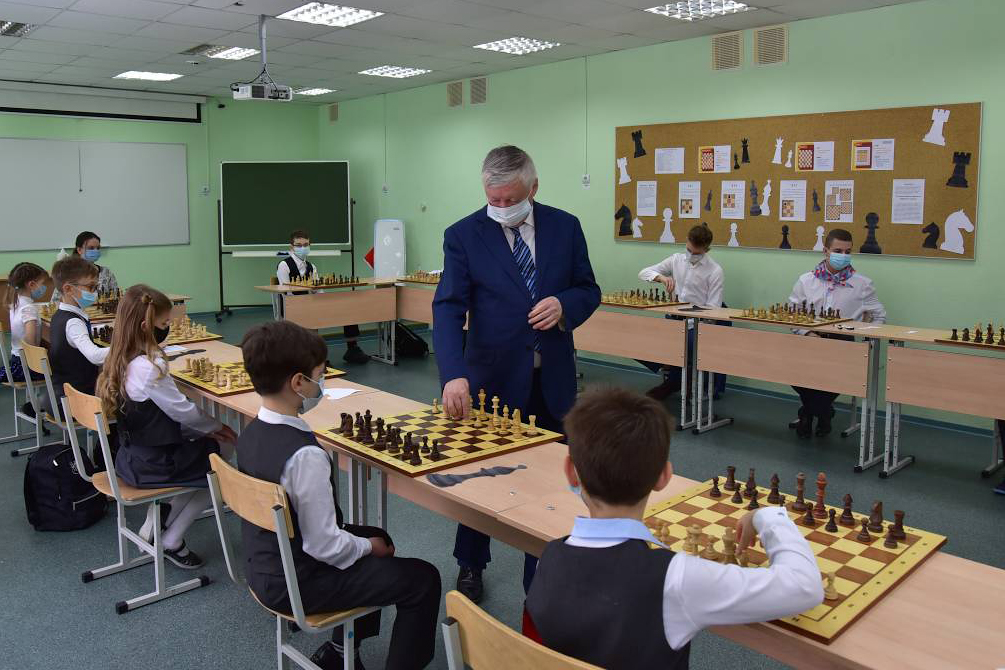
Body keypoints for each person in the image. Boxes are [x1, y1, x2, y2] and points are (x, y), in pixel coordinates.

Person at [525, 387, 823, 670]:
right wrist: (766, 517)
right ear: (664, 476)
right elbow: (805, 587)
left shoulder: (547, 557)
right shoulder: (676, 577)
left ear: (571, 472)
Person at [433, 145, 601, 603]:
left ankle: (541, 570)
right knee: (480, 478)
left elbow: (589, 288)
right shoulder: (463, 235)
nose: (503, 207)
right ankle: (470, 563)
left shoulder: (566, 227)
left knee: (554, 482)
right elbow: (448, 308)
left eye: (512, 198)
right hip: (491, 382)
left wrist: (565, 304)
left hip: (552, 382)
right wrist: (453, 373)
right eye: (495, 199)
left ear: (534, 187)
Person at [239, 320, 441, 670]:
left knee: (377, 536)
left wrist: (369, 542)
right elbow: (324, 546)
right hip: (298, 582)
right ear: (298, 383)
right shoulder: (305, 456)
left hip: (263, 565)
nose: (322, 383)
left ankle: (339, 651)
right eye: (320, 375)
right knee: (423, 579)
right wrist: (368, 548)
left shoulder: (251, 432)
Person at [97, 285, 236, 567]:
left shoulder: (119, 356)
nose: (167, 328)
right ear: (146, 326)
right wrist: (216, 426)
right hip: (153, 465)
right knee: (221, 462)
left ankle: (164, 517)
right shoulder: (150, 366)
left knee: (206, 451)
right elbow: (183, 411)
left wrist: (206, 429)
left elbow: (164, 415)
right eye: (164, 324)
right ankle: (171, 539)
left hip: (129, 456)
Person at [788, 228, 886, 438]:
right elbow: (792, 314)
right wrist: (807, 333)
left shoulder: (862, 284)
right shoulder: (806, 280)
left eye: (847, 251)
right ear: (826, 251)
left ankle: (808, 413)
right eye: (838, 251)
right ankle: (823, 412)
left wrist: (866, 337)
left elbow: (880, 316)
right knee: (794, 374)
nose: (843, 255)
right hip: (810, 340)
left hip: (842, 344)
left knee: (833, 379)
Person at [637, 224, 725, 400]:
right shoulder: (676, 260)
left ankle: (673, 382)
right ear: (686, 242)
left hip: (696, 326)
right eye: (689, 250)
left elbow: (713, 310)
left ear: (707, 249)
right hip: (672, 320)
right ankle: (675, 376)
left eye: (696, 253)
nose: (691, 255)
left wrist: (694, 318)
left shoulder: (715, 271)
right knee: (640, 343)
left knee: (679, 345)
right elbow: (643, 273)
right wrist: (661, 278)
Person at [277, 229, 369, 365]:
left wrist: (325, 303)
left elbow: (317, 290)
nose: (303, 248)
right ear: (292, 247)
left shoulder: (311, 266)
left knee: (347, 308)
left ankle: (352, 349)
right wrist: (306, 303)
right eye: (299, 245)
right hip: (292, 306)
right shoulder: (284, 265)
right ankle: (315, 359)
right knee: (312, 316)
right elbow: (286, 292)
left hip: (310, 304)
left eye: (305, 245)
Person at [49, 256, 109, 400]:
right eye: (90, 287)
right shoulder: (73, 323)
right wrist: (128, 346)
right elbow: (95, 356)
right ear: (68, 289)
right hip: (76, 399)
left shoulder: (60, 315)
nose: (94, 292)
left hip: (64, 393)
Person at [3, 262, 49, 417]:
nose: (44, 287)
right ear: (31, 285)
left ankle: (39, 404)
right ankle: (41, 405)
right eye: (42, 283)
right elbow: (30, 343)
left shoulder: (15, 303)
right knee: (64, 368)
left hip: (16, 361)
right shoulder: (28, 309)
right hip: (28, 367)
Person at [52, 231, 119, 302]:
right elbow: (56, 300)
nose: (95, 251)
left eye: (98, 248)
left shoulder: (106, 272)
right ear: (79, 250)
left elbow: (115, 296)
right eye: (91, 248)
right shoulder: (68, 273)